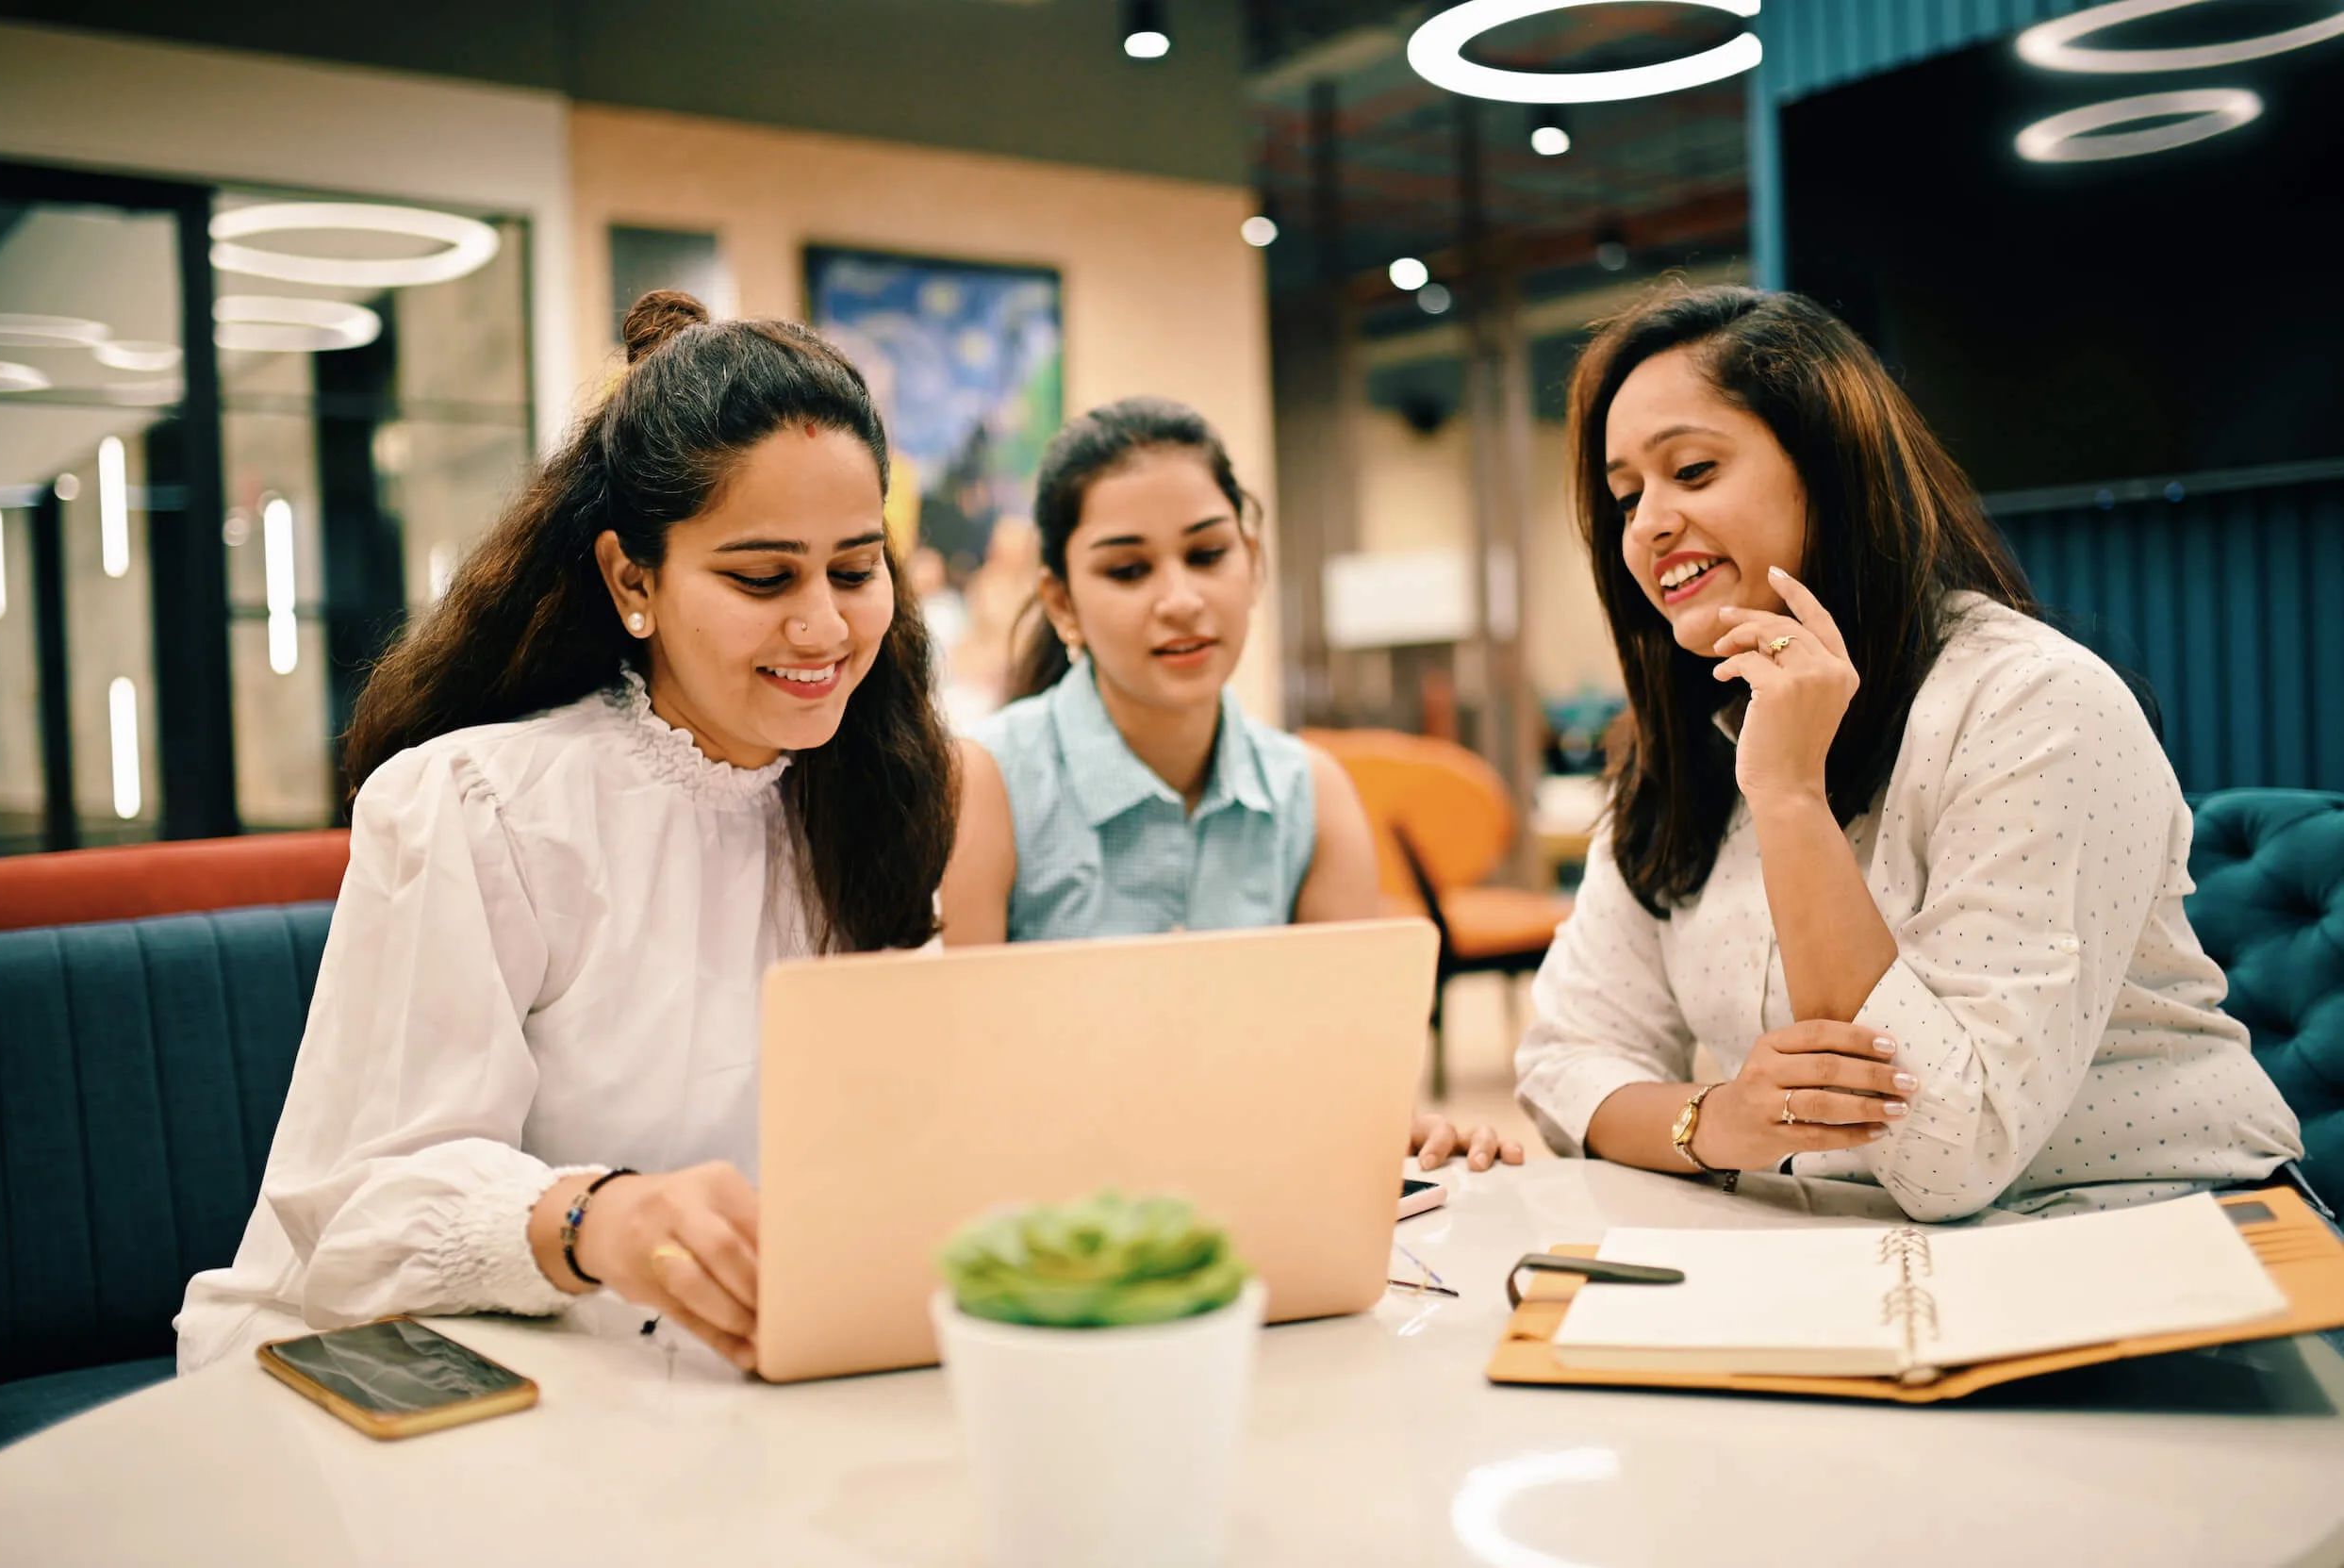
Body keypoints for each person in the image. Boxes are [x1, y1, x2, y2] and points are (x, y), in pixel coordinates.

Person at [176, 291, 954, 1373]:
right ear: (632, 578)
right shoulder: (480, 803)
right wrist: (596, 1219)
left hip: (711, 1371)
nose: (823, 623)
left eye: (856, 569)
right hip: (399, 1368)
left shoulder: (877, 795)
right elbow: (359, 1222)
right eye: (763, 576)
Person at [1514, 285, 2301, 1221]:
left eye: (1689, 470)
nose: (1646, 524)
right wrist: (1714, 1120)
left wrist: (1789, 798)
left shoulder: (2036, 701)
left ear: (1829, 468)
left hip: (2161, 1230)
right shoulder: (1676, 748)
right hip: (1854, 1253)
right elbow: (1563, 1059)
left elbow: (1947, 1154)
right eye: (1623, 495)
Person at [940, 397, 1522, 1172]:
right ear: (1061, 603)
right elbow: (958, 1083)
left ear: (1253, 564)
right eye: (1128, 569)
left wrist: (1406, 1132)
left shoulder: (1311, 791)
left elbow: (1345, 1080)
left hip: (1268, 1211)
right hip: (1055, 1226)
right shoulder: (988, 781)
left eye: (1208, 555)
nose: (1181, 599)